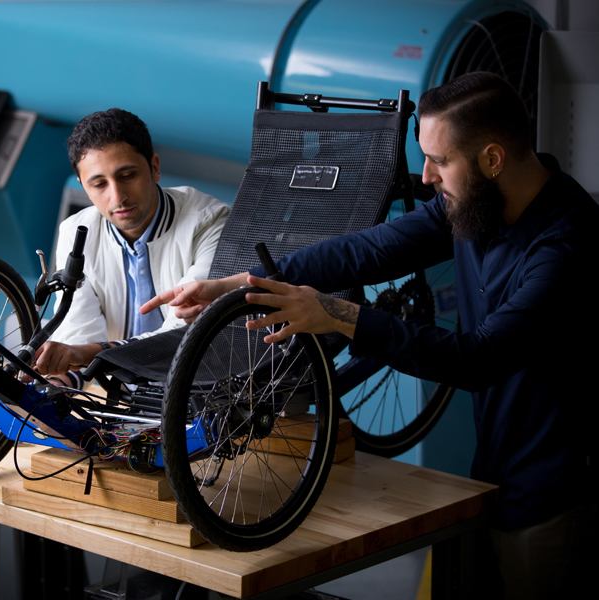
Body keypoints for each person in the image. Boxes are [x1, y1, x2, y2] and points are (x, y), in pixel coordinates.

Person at [141, 72, 597, 598]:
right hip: (494, 471)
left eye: (440, 161)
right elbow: (372, 248)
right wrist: (245, 282)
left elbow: (479, 359)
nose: (425, 176)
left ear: (492, 159)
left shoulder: (567, 246)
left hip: (554, 498)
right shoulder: (478, 204)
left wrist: (337, 314)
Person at [34, 108, 230, 388]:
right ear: (83, 186)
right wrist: (61, 382)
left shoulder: (211, 221)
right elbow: (80, 333)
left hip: (199, 395)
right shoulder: (75, 232)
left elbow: (183, 336)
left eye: (127, 175)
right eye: (99, 183)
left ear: (155, 167)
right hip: (120, 399)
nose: (118, 197)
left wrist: (86, 354)